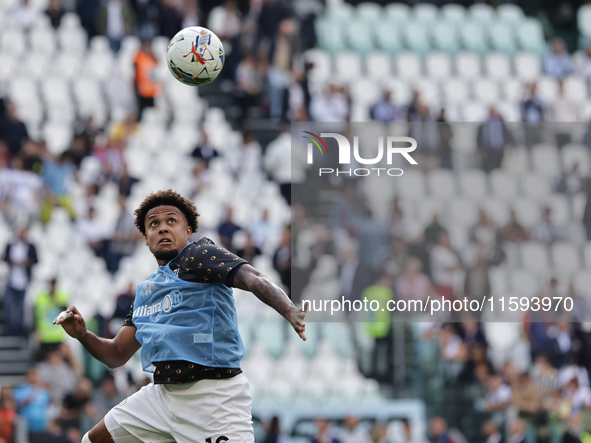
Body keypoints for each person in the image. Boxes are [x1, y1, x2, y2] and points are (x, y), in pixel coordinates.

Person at [54, 189, 306, 443]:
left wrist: (288, 308)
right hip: (161, 397)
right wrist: (83, 335)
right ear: (146, 238)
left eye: (171, 221)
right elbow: (116, 353)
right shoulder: (146, 291)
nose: (162, 228)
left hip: (213, 398)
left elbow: (252, 278)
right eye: (154, 224)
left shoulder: (199, 255)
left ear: (188, 231)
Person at [2, 225, 38, 336]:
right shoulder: (11, 245)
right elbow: (4, 257)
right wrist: (11, 261)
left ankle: (20, 329)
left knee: (22, 307)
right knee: (10, 305)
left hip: (24, 281)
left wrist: (27, 262)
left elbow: (36, 259)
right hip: (12, 280)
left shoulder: (30, 246)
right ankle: (9, 328)